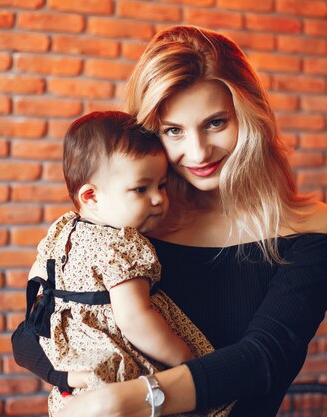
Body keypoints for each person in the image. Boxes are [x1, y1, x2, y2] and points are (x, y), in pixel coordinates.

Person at [12, 25, 327, 417]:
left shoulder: (311, 227)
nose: (198, 151)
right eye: (174, 131)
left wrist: (130, 400)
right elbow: (31, 334)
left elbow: (265, 358)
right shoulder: (127, 229)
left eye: (216, 123)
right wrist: (71, 380)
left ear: (250, 117)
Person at [26, 111, 233, 416]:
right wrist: (187, 362)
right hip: (121, 369)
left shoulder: (64, 231)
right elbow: (135, 320)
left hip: (78, 374)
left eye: (161, 185)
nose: (158, 199)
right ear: (91, 196)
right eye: (141, 189)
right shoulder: (121, 244)